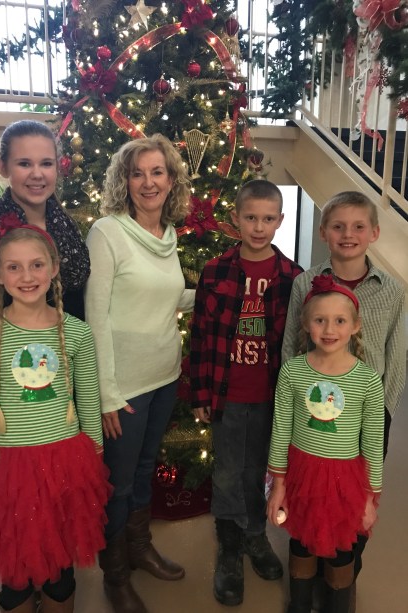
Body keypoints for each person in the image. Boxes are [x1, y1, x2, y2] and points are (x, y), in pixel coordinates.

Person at [0, 214, 111, 613]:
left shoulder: (77, 333)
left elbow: (89, 403)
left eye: (37, 264)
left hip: (66, 467)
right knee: (15, 574)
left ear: (54, 268)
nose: (27, 276)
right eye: (14, 267)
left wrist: (93, 464)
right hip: (7, 471)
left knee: (60, 573)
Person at [84, 133, 195, 613]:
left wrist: (214, 291)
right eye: (137, 173)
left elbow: (169, 298)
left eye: (157, 172)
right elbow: (96, 315)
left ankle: (140, 547)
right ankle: (115, 574)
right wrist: (106, 393)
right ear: (124, 181)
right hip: (124, 387)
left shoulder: (168, 236)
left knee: (146, 469)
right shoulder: (107, 232)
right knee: (120, 482)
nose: (148, 182)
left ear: (171, 180)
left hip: (164, 375)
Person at [281, 191, 405, 606]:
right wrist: (292, 399)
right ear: (323, 233)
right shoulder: (305, 283)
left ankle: (342, 572)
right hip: (311, 412)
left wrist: (383, 410)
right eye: (338, 226)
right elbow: (290, 346)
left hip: (366, 414)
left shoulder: (392, 289)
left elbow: (396, 357)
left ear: (374, 233)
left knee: (353, 497)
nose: (347, 234)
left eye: (357, 226)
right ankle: (308, 564)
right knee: (312, 490)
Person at [0, 119, 90, 466]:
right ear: (3, 168)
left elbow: (76, 317)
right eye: (24, 163)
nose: (37, 174)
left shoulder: (68, 232)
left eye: (46, 163)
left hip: (61, 405)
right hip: (10, 410)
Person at [190, 179, 303, 606]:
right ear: (235, 218)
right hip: (226, 394)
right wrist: (200, 393)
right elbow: (200, 336)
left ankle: (256, 534)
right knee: (227, 471)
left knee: (258, 470)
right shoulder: (215, 271)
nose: (258, 227)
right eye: (250, 218)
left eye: (267, 219)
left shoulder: (293, 278)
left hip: (270, 396)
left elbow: (297, 346)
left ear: (280, 220)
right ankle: (230, 545)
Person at [268, 274, 384, 613]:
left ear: (355, 326)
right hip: (302, 477)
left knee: (341, 551)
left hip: (345, 483)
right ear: (306, 324)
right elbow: (281, 430)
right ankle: (299, 605)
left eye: (339, 321)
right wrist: (278, 486)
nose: (329, 329)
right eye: (320, 320)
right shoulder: (292, 372)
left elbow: (373, 443)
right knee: (301, 544)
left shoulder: (367, 381)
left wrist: (370, 499)